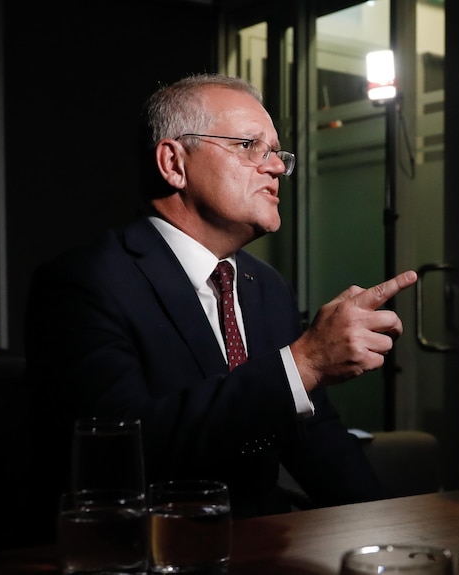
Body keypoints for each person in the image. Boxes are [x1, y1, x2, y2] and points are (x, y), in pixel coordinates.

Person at [24, 73, 417, 541]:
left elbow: (316, 440)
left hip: (264, 546)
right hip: (152, 552)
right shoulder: (84, 282)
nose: (274, 168)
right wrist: (304, 362)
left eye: (276, 153)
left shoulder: (266, 286)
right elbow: (122, 450)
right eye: (250, 145)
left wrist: (395, 536)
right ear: (174, 163)